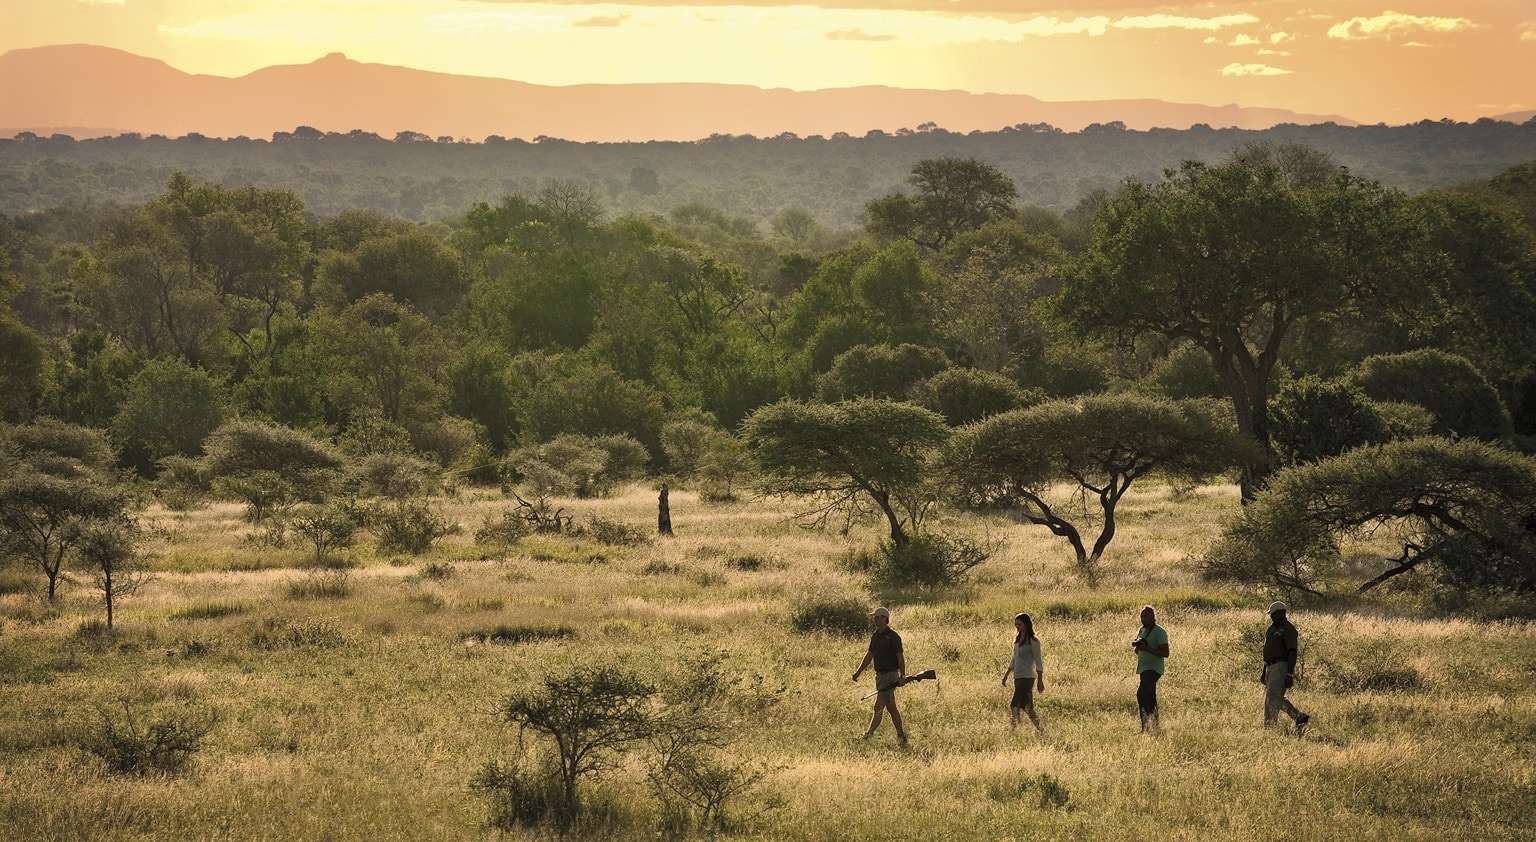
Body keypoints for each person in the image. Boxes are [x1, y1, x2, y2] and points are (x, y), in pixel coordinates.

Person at [852, 606, 907, 744]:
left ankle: (868, 735)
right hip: (880, 676)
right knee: (891, 707)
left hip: (890, 675)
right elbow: (870, 655)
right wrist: (858, 671)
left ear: (884, 618)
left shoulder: (893, 637)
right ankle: (901, 735)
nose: (874, 619)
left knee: (878, 706)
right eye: (874, 617)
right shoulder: (875, 636)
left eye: (877, 617)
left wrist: (903, 676)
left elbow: (900, 656)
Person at [1262, 601, 1312, 735]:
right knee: (1275, 696)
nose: (1271, 617)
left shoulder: (1288, 629)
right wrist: (1264, 671)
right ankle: (1299, 717)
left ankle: (1269, 728)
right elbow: (1267, 650)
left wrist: (1289, 674)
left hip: (1281, 665)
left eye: (1273, 614)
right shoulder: (1271, 629)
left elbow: (1292, 651)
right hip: (1270, 666)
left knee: (1272, 698)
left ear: (1282, 613)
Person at [1001, 612, 1045, 734]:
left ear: (1026, 624)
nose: (1017, 627)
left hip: (1027, 677)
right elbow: (1014, 660)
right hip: (1018, 676)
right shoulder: (1017, 640)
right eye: (1016, 625)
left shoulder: (1033, 641)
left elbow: (1039, 662)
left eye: (1019, 624)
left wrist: (1040, 681)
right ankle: (1041, 730)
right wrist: (1006, 675)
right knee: (1028, 708)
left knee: (1014, 704)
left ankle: (1012, 731)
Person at [1131, 604, 1169, 733]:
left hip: (1154, 669)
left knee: (1141, 694)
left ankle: (1145, 727)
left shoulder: (1159, 632)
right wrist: (1140, 648)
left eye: (1146, 616)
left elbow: (1165, 653)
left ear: (1153, 617)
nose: (1143, 619)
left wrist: (1148, 648)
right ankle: (1155, 726)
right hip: (1143, 668)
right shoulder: (1142, 630)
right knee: (1150, 696)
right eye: (1142, 616)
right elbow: (1138, 651)